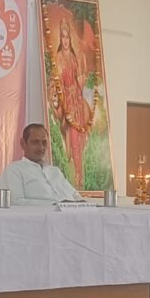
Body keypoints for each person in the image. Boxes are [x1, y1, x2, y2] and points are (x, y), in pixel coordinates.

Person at [50, 19, 93, 189]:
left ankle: (81, 173)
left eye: (67, 37)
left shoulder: (74, 56)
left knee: (81, 138)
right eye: (63, 37)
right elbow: (58, 81)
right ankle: (77, 174)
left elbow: (79, 78)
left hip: (77, 99)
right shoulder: (59, 57)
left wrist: (81, 79)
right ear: (60, 39)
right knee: (73, 137)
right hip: (67, 100)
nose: (65, 40)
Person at [0, 123, 83, 205]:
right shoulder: (14, 170)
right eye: (35, 142)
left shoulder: (55, 171)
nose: (41, 147)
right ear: (23, 144)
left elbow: (76, 197)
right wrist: (56, 205)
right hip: (39, 215)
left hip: (71, 214)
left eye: (44, 143)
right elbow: (15, 202)